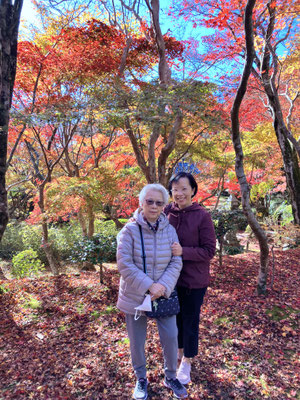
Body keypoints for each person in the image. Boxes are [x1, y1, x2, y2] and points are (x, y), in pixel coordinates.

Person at [117, 183, 188, 399]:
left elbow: (176, 261)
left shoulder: (170, 230)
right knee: (137, 341)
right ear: (141, 203)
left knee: (171, 337)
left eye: (159, 203)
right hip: (135, 295)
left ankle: (170, 376)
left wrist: (163, 286)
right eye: (150, 201)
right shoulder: (129, 230)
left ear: (165, 205)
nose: (154, 206)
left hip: (163, 296)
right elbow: (124, 263)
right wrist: (149, 285)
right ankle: (140, 378)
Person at [164, 172, 216, 385]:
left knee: (190, 321)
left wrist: (182, 251)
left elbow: (209, 250)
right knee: (174, 319)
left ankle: (187, 360)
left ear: (193, 190)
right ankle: (178, 352)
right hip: (169, 278)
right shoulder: (167, 211)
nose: (179, 193)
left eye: (184, 188)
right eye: (175, 189)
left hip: (194, 280)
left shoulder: (202, 215)